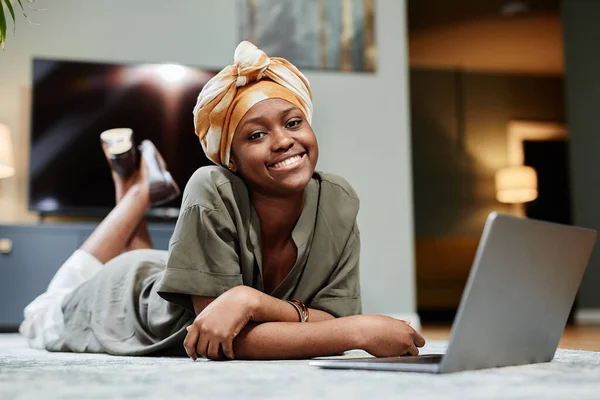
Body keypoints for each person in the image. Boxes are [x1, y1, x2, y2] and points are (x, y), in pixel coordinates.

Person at [19, 41, 426, 360]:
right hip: (118, 299)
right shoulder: (210, 186)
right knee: (40, 311)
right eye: (256, 134)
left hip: (170, 279)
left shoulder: (338, 200)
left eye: (293, 122)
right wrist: (357, 331)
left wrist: (246, 299)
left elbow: (329, 318)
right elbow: (222, 338)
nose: (284, 140)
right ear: (230, 159)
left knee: (160, 272)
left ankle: (131, 180)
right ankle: (138, 190)